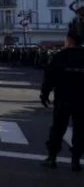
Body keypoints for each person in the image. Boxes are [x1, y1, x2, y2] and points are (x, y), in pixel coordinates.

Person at [40, 31, 84, 172]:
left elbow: (49, 77)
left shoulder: (59, 56)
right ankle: (76, 160)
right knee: (80, 131)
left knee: (58, 129)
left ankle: (52, 157)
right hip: (82, 99)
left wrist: (45, 94)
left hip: (63, 98)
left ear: (69, 41)